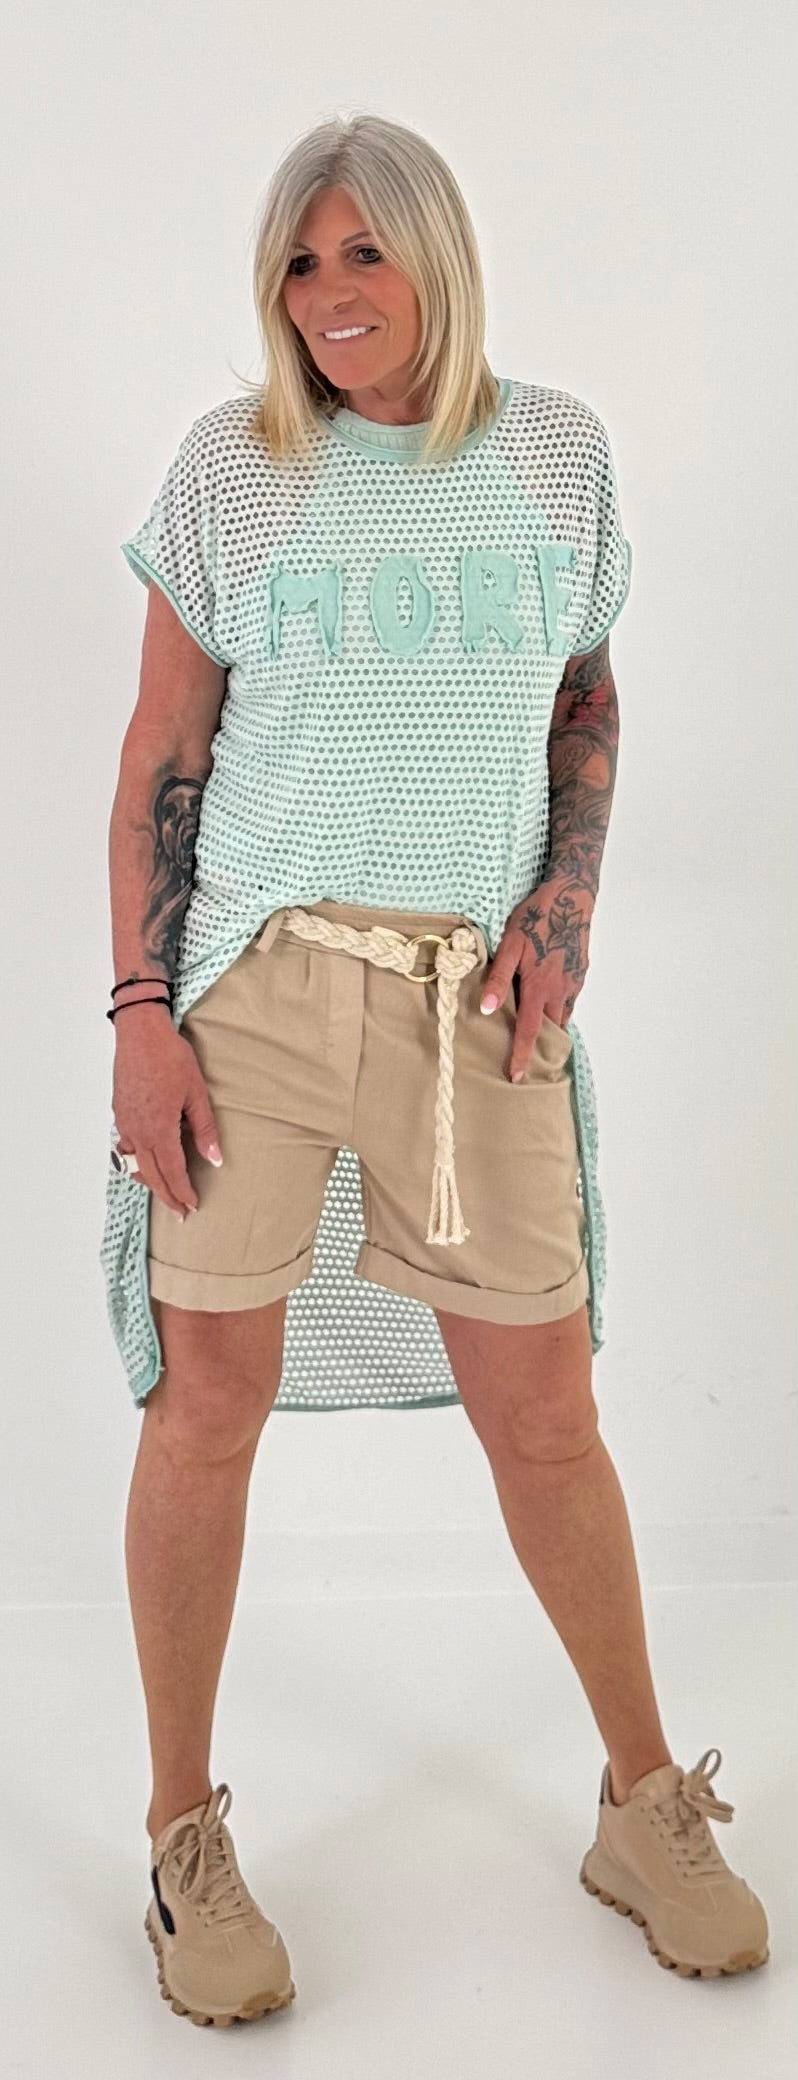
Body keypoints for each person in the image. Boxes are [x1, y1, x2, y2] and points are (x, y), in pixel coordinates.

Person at [101, 113, 769, 2027]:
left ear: (433, 257)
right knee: (205, 1404)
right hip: (253, 993)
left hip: (481, 1007)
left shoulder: (553, 454)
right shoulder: (232, 469)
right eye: (299, 262)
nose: (328, 294)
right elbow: (161, 750)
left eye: (361, 252)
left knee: (544, 1410)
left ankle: (640, 1804)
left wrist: (567, 900)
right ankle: (181, 1839)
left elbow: (584, 690)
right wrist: (139, 1012)